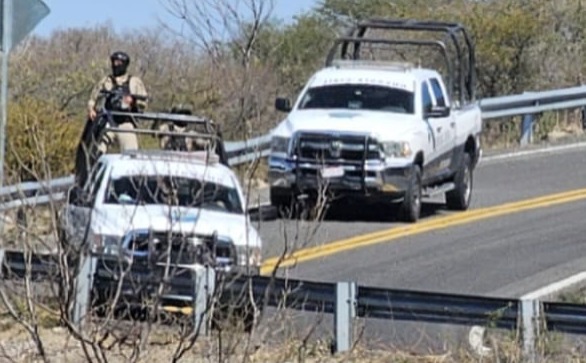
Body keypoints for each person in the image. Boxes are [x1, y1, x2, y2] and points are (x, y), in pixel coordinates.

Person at [86, 51, 149, 153]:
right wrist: (91, 109)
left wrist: (133, 102)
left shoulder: (134, 82)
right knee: (97, 150)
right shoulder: (106, 81)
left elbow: (143, 103)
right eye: (114, 62)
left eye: (119, 63)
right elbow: (93, 98)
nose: (116, 65)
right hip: (108, 121)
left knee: (131, 153)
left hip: (126, 123)